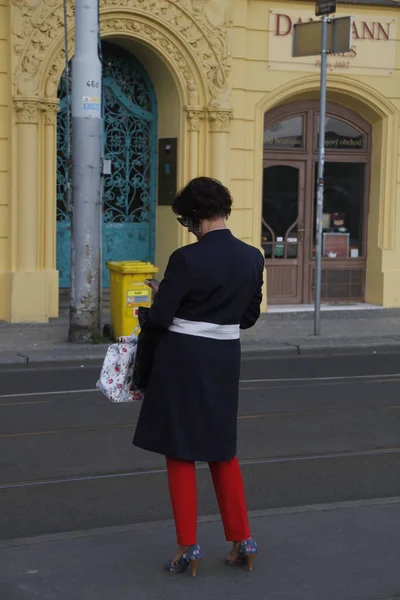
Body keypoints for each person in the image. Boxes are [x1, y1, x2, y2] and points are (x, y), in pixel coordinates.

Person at [133, 177, 264, 577]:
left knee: (181, 451)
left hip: (183, 360)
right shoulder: (252, 256)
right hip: (224, 358)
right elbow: (248, 317)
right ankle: (244, 540)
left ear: (193, 218)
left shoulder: (186, 258)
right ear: (223, 209)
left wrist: (157, 299)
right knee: (222, 449)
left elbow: (159, 319)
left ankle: (188, 548)